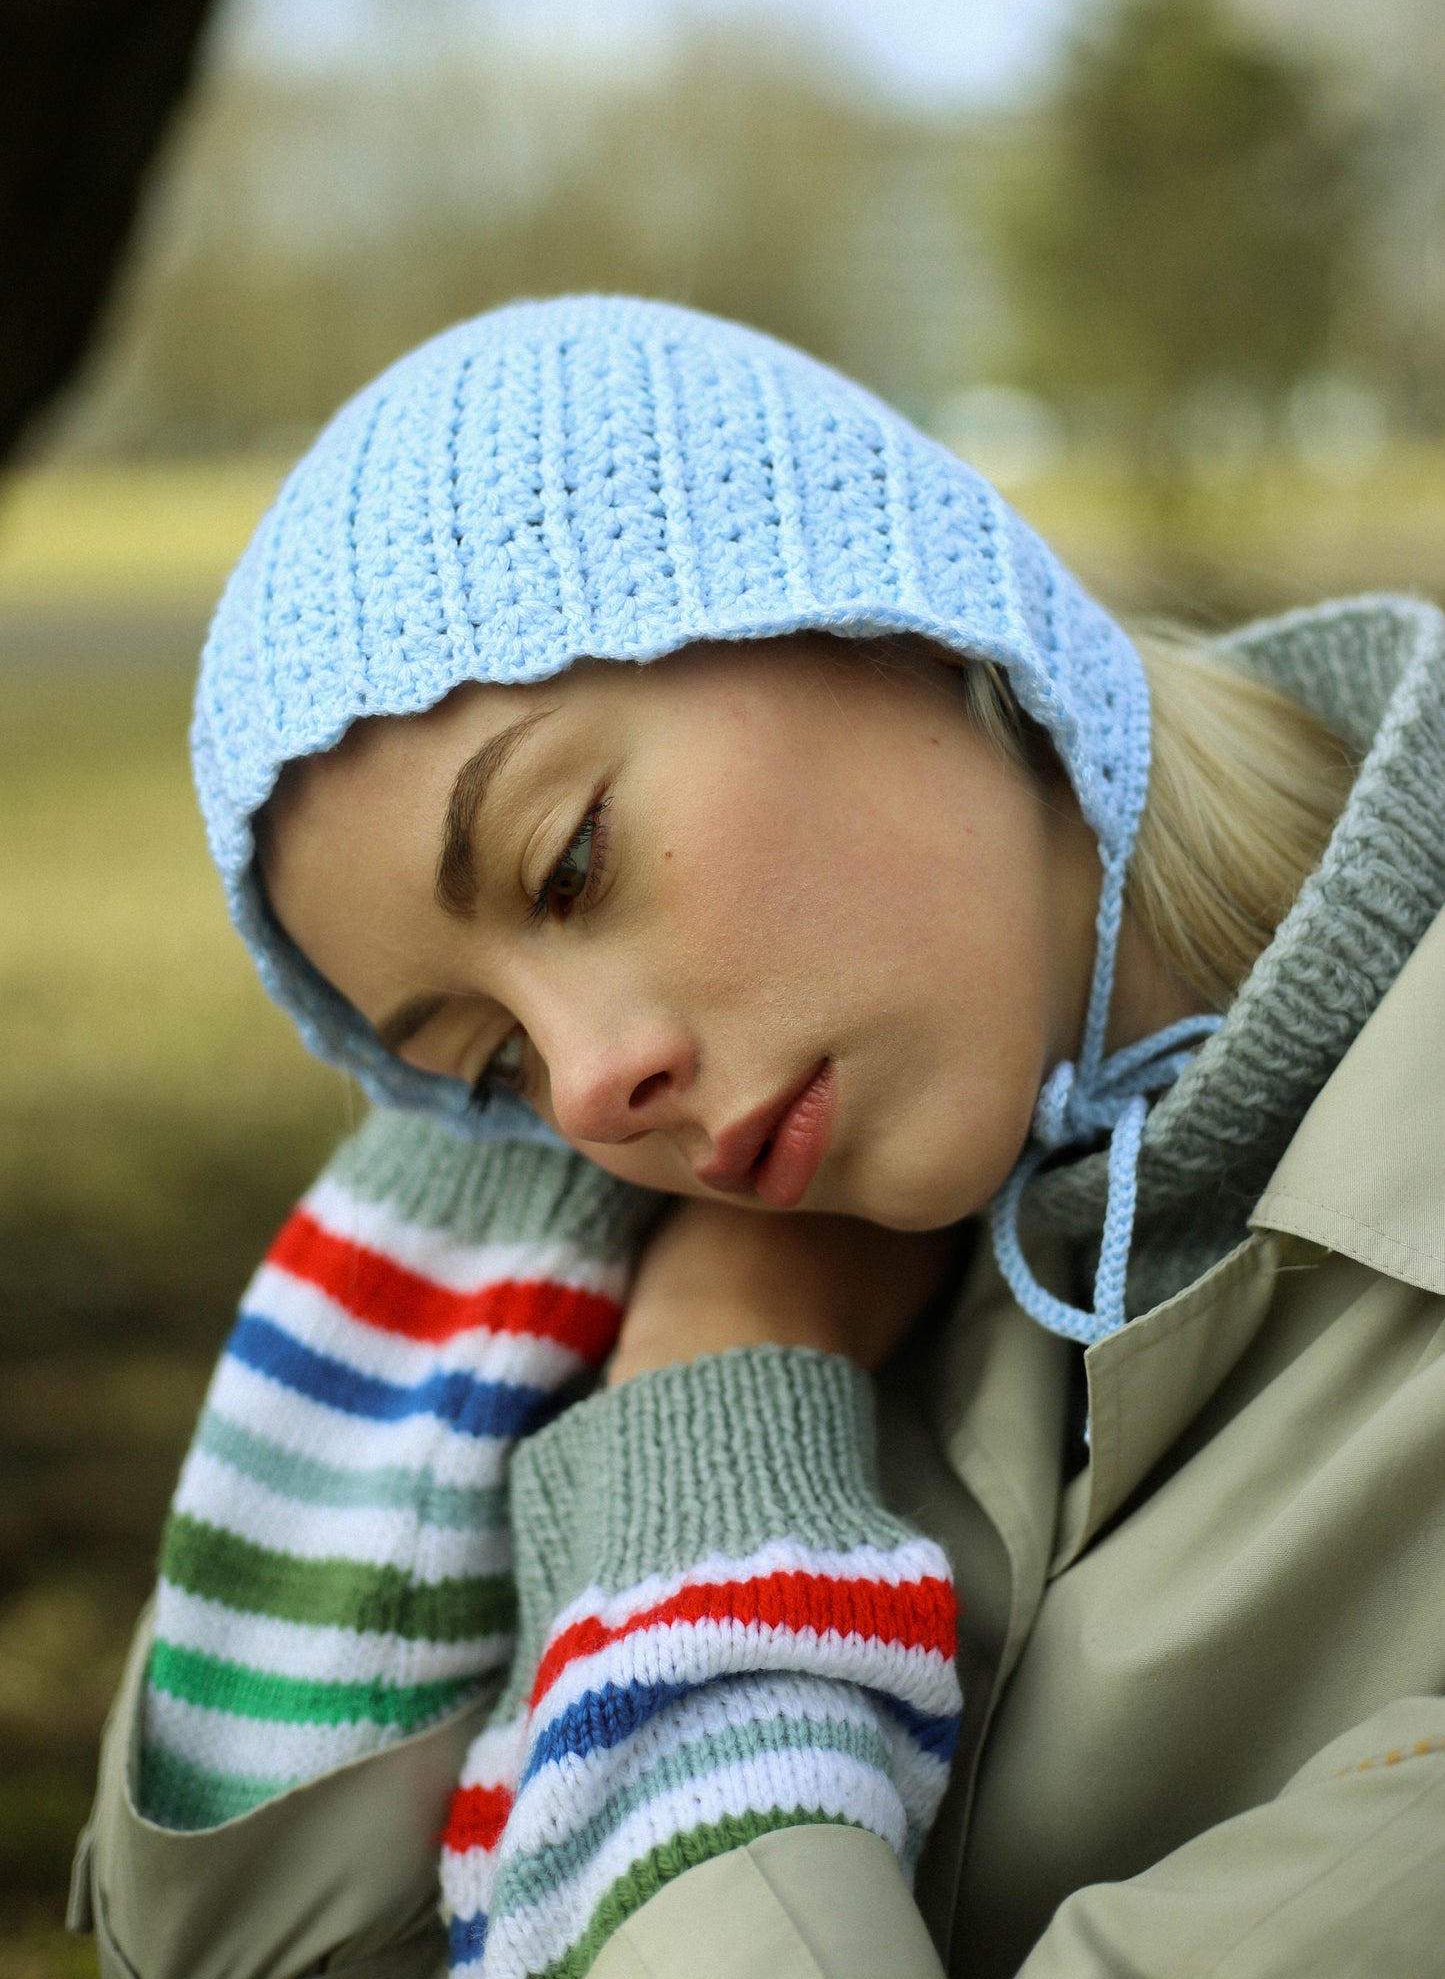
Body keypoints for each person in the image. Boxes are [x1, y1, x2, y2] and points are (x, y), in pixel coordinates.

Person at [70, 296, 1445, 1979]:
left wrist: (704, 1466)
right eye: (490, 1066)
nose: (587, 1096)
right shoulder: (666, 1266)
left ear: (897, 610)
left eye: (568, 863)